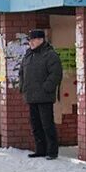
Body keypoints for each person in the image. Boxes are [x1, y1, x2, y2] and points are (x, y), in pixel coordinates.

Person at [19, 29, 63, 160]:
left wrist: (46, 88)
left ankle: (52, 151)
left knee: (47, 124)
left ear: (41, 40)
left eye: (33, 40)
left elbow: (56, 74)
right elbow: (21, 72)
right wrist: (22, 87)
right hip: (31, 96)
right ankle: (40, 150)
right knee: (35, 125)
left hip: (44, 96)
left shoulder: (50, 55)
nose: (31, 43)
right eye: (30, 40)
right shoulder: (28, 55)